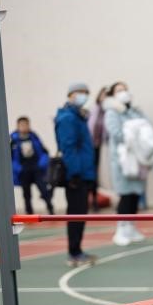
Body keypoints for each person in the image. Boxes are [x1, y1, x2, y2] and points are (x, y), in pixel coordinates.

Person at [104, 81, 153, 246]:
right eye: (119, 90)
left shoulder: (136, 111)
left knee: (136, 194)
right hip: (123, 161)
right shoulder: (112, 112)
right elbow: (116, 133)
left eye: (125, 89)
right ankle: (121, 229)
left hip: (139, 159)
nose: (124, 92)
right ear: (113, 95)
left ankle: (131, 227)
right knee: (125, 195)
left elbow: (148, 127)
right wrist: (133, 136)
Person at [54, 83, 97, 267]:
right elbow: (68, 148)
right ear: (70, 94)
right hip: (76, 176)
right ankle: (73, 253)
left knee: (81, 214)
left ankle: (77, 250)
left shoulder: (79, 116)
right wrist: (75, 174)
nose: (83, 96)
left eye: (86, 93)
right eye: (80, 92)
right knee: (76, 214)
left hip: (84, 173)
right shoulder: (68, 118)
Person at [10, 117, 54, 215]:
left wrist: (42, 164)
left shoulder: (34, 137)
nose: (24, 127)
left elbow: (44, 151)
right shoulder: (13, 140)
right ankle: (29, 213)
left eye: (26, 124)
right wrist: (18, 168)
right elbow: (10, 157)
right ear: (17, 126)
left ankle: (50, 208)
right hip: (23, 170)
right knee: (26, 193)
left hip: (36, 168)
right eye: (22, 125)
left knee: (44, 189)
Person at [87, 87, 107, 211]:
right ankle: (88, 200)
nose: (105, 98)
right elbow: (90, 126)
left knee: (94, 174)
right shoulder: (94, 109)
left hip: (97, 146)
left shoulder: (107, 112)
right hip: (88, 146)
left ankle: (94, 200)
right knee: (88, 173)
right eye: (103, 95)